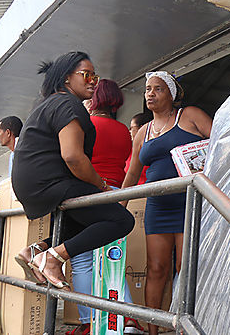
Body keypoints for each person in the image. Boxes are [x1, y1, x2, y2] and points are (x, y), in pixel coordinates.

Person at [11, 51, 134, 289]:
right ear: (67, 78)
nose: (93, 81)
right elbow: (73, 157)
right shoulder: (68, 104)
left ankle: (37, 250)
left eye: (95, 77)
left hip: (36, 183)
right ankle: (53, 259)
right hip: (50, 182)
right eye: (86, 75)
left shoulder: (49, 103)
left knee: (85, 220)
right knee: (122, 220)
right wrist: (101, 186)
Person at [122, 71, 212, 335]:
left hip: (190, 205)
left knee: (185, 269)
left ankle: (186, 328)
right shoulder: (144, 132)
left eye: (158, 89)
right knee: (156, 269)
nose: (150, 93)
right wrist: (117, 209)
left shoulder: (190, 115)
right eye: (148, 89)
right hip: (158, 208)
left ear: (172, 94)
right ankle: (153, 331)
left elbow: (221, 142)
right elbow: (131, 175)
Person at [67, 79, 143, 335]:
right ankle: (128, 318)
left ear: (95, 98)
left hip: (90, 194)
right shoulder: (124, 130)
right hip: (115, 193)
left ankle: (89, 321)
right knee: (114, 260)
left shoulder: (88, 125)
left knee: (82, 261)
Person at [125, 111, 152, 185]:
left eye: (132, 128)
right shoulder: (131, 151)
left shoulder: (150, 151)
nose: (129, 131)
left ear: (141, 128)